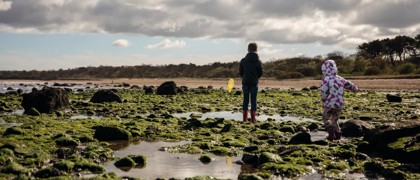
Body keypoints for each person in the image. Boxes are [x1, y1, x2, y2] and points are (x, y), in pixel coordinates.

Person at [320, 59, 358, 140]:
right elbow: (351, 85)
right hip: (339, 104)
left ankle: (330, 132)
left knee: (325, 118)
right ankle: (338, 135)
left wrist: (323, 100)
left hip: (330, 103)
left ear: (324, 70)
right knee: (335, 120)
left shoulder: (326, 79)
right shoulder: (340, 79)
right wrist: (355, 89)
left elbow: (323, 91)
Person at [239, 42, 263, 123]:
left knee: (245, 100)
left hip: (245, 82)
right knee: (253, 101)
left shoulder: (243, 60)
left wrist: (245, 77)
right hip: (254, 82)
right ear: (256, 49)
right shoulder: (258, 61)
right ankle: (253, 119)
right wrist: (256, 78)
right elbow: (260, 72)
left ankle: (244, 119)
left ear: (248, 49)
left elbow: (240, 72)